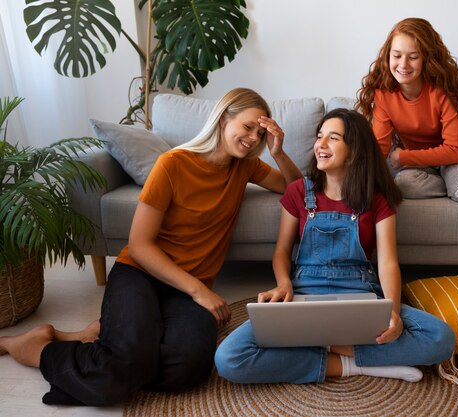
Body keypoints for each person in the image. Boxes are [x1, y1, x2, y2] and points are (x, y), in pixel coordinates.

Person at [0, 88, 302, 406]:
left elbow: (298, 192)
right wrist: (200, 291)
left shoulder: (245, 168)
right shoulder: (171, 165)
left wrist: (278, 151)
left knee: (190, 368)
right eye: (248, 127)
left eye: (260, 132)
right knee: (117, 375)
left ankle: (111, 340)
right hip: (141, 274)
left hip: (185, 289)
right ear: (224, 117)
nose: (254, 138)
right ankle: (37, 348)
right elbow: (140, 246)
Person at [214, 108, 455, 384]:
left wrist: (391, 312)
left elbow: (388, 262)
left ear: (353, 151)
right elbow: (281, 252)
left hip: (361, 295)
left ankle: (321, 347)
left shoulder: (376, 199)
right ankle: (355, 364)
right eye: (319, 137)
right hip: (303, 294)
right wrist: (283, 284)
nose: (320, 144)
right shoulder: (298, 192)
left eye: (333, 138)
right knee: (229, 358)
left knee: (441, 339)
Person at [356, 17, 458, 205]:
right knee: (401, 184)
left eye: (413, 57)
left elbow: (455, 150)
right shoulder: (383, 93)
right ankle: (453, 187)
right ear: (388, 56)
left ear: (426, 58)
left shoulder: (443, 91)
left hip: (449, 159)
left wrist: (404, 157)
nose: (403, 64)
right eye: (397, 56)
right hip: (416, 165)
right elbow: (380, 148)